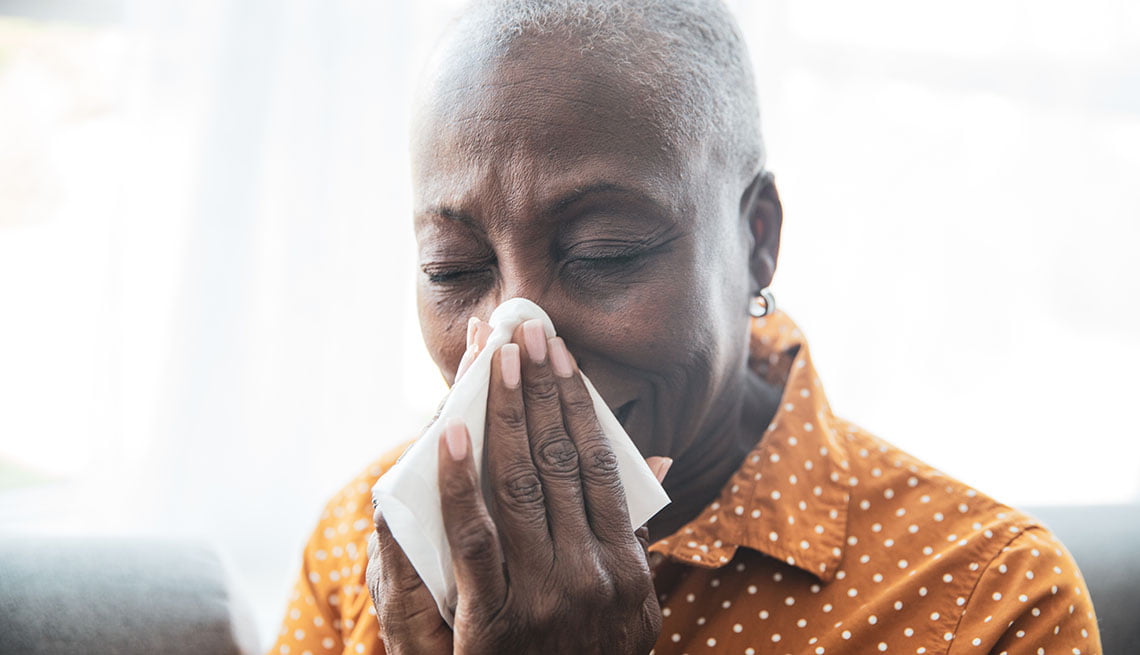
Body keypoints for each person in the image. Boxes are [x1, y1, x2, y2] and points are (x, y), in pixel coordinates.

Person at [269, 1, 1102, 653]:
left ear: (758, 240)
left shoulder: (983, 599)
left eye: (605, 252)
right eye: (454, 269)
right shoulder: (365, 548)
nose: (514, 339)